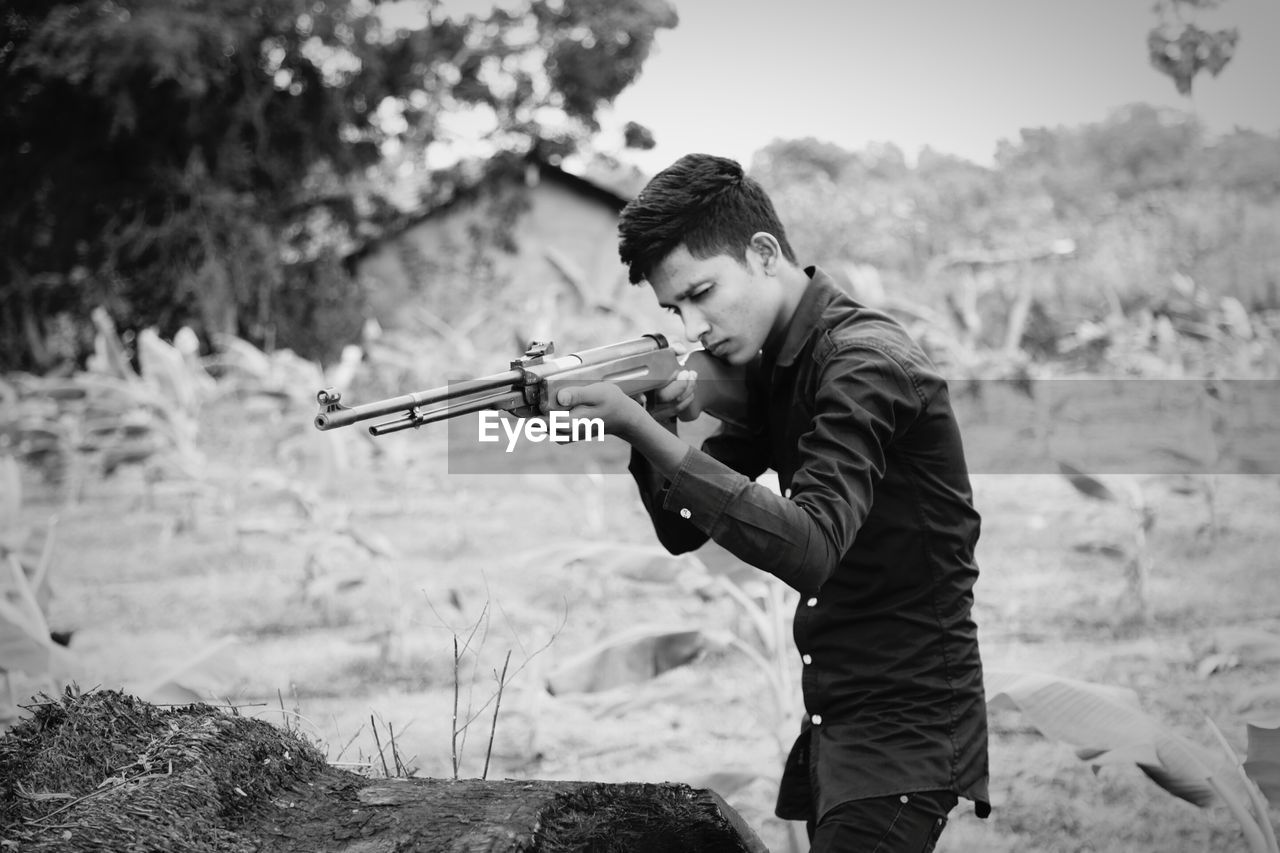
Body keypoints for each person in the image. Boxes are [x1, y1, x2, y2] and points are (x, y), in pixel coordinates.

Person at [549, 153, 990, 852]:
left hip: (908, 730)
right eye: (674, 308)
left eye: (702, 292)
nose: (693, 326)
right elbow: (678, 529)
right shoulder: (777, 364)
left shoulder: (862, 362)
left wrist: (635, 425)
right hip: (842, 723)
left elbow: (811, 548)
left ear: (762, 253)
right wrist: (652, 422)